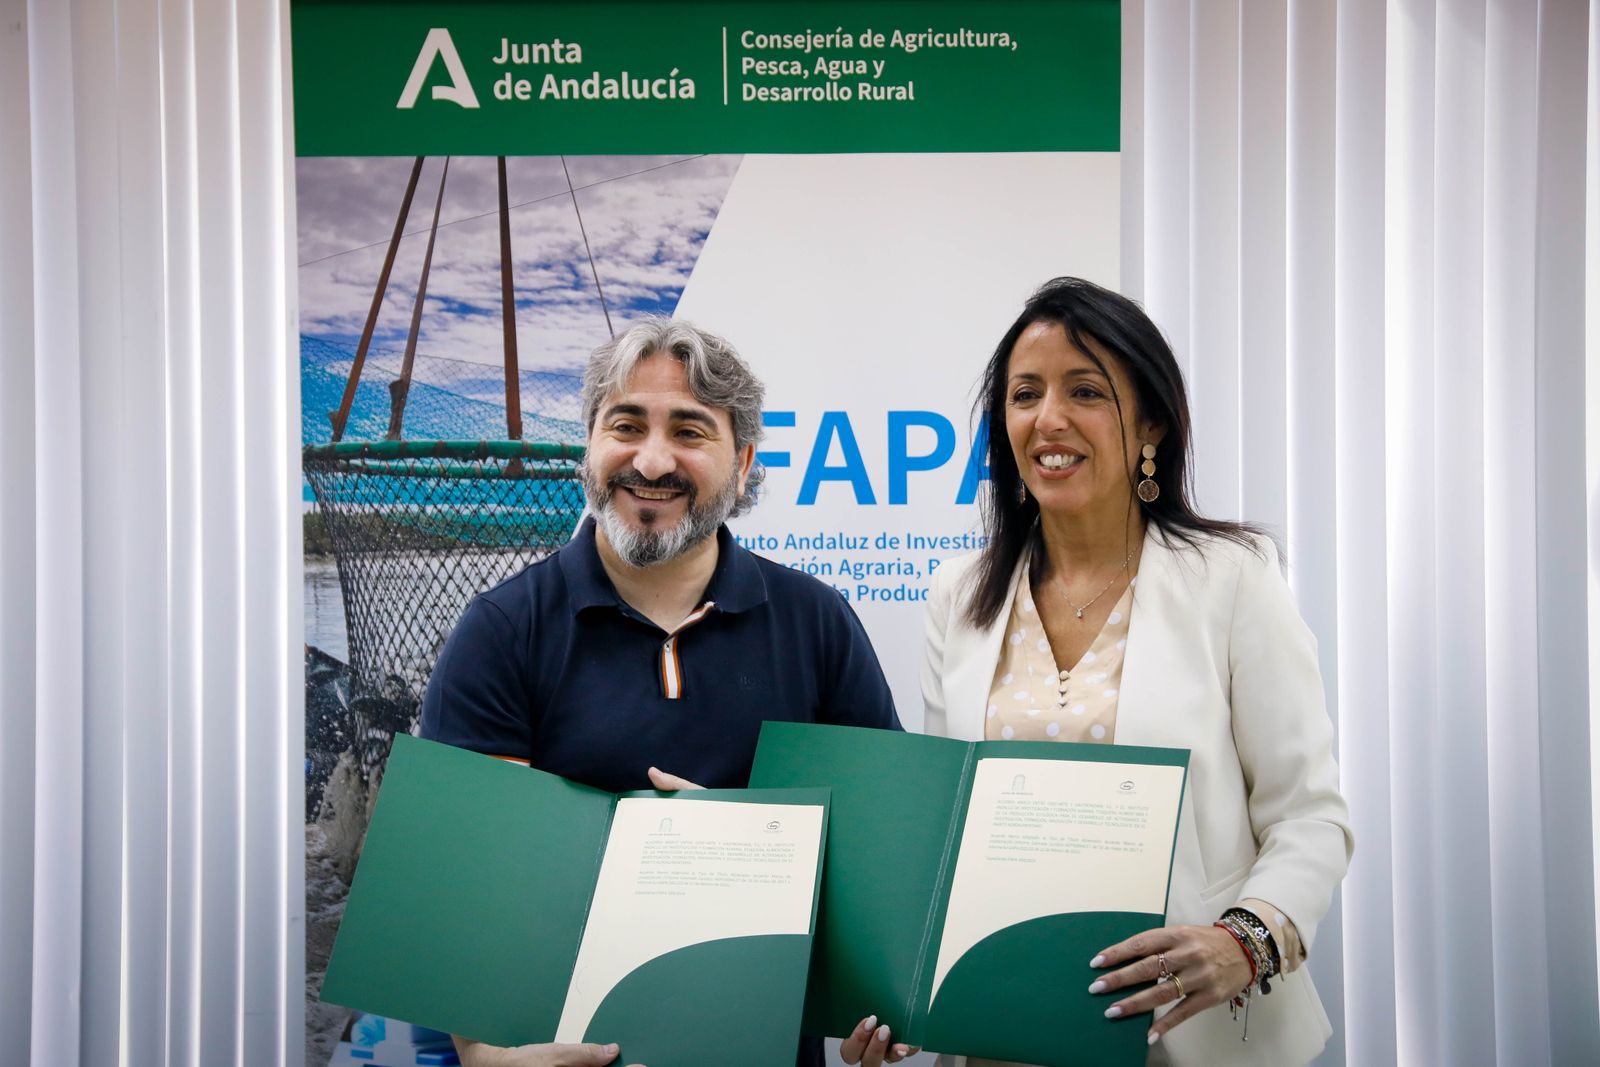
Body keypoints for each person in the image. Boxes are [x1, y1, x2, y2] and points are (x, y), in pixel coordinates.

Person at [419, 317, 906, 1067]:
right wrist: (486, 1056)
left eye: (689, 430)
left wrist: (887, 1008)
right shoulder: (502, 629)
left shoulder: (817, 622)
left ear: (742, 463)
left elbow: (884, 860)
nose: (651, 459)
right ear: (589, 443)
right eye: (626, 424)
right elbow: (464, 887)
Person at [916, 278, 1354, 1067]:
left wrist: (1245, 938)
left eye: (1085, 390)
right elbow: (942, 837)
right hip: (1003, 1026)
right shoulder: (959, 594)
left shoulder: (1233, 577)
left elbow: (1311, 815)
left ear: (1150, 420)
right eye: (1024, 394)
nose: (1048, 418)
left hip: (1192, 1034)